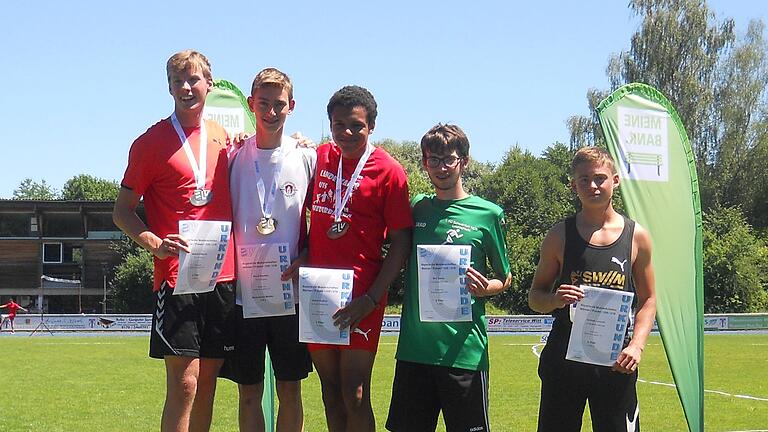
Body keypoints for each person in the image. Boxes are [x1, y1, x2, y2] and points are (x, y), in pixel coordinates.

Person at [113, 49, 236, 432]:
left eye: (193, 79)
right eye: (178, 81)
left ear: (209, 85)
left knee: (208, 385)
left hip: (223, 276)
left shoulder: (223, 137)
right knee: (185, 383)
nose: (186, 87)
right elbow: (123, 211)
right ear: (168, 87)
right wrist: (153, 242)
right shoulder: (149, 143)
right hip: (175, 277)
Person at [386, 124, 512, 432]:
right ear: (424, 162)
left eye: (449, 159)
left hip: (464, 354)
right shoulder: (417, 207)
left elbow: (505, 277)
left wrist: (486, 289)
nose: (441, 167)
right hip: (415, 353)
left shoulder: (488, 214)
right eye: (434, 159)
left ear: (465, 161)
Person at [528, 146, 657, 432]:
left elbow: (648, 299)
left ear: (615, 180)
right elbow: (535, 297)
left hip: (615, 362)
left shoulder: (637, 236)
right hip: (563, 361)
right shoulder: (559, 235)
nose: (592, 185)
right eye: (584, 179)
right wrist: (555, 300)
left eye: (599, 178)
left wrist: (636, 345)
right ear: (573, 185)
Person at [307, 85, 413, 432]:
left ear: (372, 126)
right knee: (330, 391)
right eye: (339, 125)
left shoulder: (389, 171)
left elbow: (400, 242)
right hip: (317, 293)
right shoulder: (321, 158)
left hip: (361, 295)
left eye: (356, 126)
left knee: (354, 391)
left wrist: (370, 299)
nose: (347, 133)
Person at [221, 67, 315, 432]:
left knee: (291, 390)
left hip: (290, 296)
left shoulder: (307, 157)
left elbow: (321, 219)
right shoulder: (232, 156)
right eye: (264, 104)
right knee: (248, 392)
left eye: (279, 104)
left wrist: (307, 253)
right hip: (245, 297)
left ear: (292, 106)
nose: (272, 112)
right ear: (250, 104)